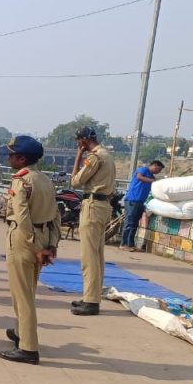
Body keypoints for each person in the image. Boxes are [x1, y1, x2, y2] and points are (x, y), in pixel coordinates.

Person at [0, 136, 60, 364]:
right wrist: (51, 245)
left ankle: (28, 348)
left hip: (24, 240)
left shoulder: (21, 180)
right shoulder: (45, 180)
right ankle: (20, 332)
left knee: (22, 296)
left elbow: (22, 218)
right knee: (28, 290)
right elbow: (55, 216)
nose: (9, 159)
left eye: (12, 155)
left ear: (22, 158)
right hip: (42, 237)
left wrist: (35, 247)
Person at [70, 126, 117, 316]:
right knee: (97, 255)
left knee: (88, 256)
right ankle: (92, 296)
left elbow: (75, 181)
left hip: (93, 206)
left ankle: (91, 301)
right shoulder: (107, 155)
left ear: (83, 140)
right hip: (104, 206)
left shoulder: (95, 157)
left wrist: (78, 156)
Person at [121, 160, 163, 252]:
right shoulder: (143, 170)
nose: (158, 172)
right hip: (133, 200)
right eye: (158, 170)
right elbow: (139, 177)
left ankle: (131, 244)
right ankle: (123, 244)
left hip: (141, 201)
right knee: (129, 222)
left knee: (134, 224)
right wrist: (152, 181)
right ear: (155, 166)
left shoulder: (151, 176)